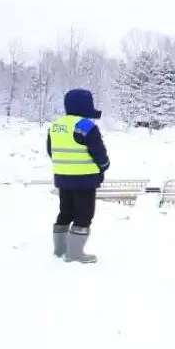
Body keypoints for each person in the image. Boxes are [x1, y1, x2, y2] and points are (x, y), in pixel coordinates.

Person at [46, 89, 109, 263]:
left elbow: (51, 151)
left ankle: (60, 250)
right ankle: (74, 253)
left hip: (63, 179)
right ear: (84, 105)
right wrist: (104, 166)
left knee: (65, 212)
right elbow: (99, 152)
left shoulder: (56, 125)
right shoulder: (86, 126)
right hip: (85, 180)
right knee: (84, 215)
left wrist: (65, 166)